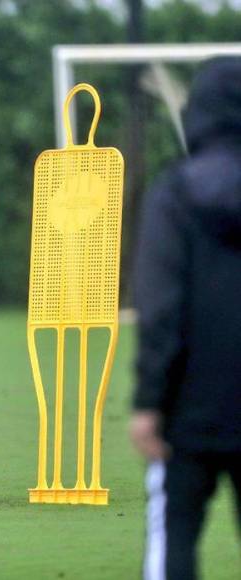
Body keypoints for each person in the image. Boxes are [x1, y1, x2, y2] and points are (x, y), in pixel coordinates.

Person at [130, 56, 241, 580]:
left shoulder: (176, 192)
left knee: (176, 543)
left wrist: (150, 400)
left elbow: (161, 307)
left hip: (190, 408)